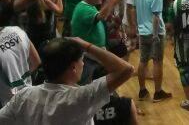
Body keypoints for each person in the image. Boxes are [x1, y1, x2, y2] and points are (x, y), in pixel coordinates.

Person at [0, 37, 134, 123]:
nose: (83, 64)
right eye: (81, 60)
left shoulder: (24, 96)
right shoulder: (80, 98)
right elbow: (126, 69)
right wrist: (86, 45)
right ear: (73, 67)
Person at [132, 0, 171, 102]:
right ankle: (158, 92)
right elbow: (155, 16)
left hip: (142, 31)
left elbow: (135, 9)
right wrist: (155, 35)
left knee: (143, 61)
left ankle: (142, 91)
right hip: (155, 33)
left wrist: (137, 27)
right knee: (157, 62)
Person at [0, 25, 40, 105]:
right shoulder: (17, 30)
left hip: (9, 104)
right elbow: (36, 61)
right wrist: (21, 76)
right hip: (29, 94)